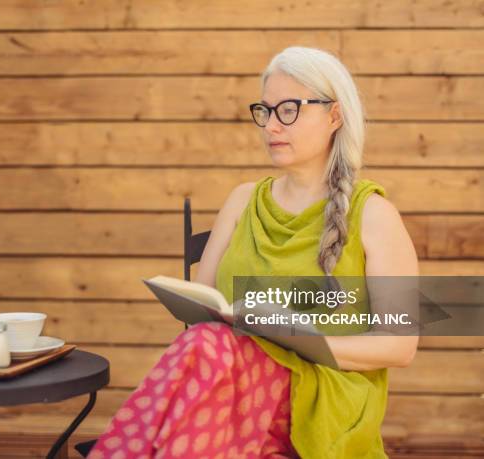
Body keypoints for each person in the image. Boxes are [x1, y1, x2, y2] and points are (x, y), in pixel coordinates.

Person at [86, 46, 419, 459]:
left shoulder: (373, 214)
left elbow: (399, 347)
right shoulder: (242, 200)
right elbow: (201, 308)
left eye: (289, 110)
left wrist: (293, 334)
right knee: (206, 343)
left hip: (320, 395)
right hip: (229, 377)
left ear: (334, 116)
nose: (272, 126)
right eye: (265, 111)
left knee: (207, 349)